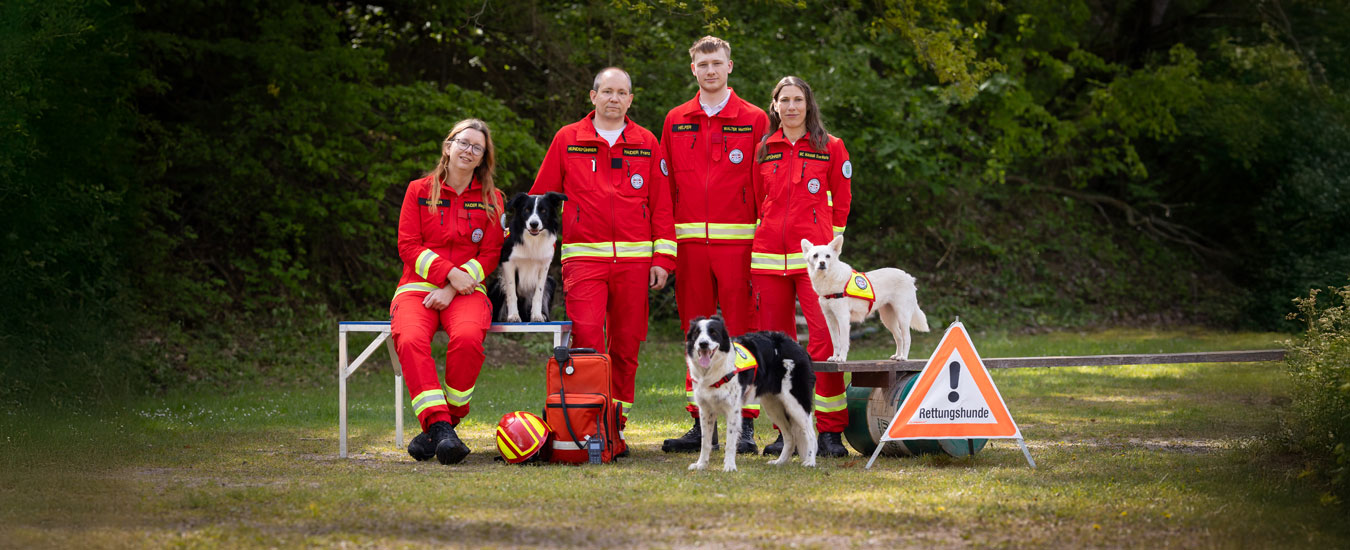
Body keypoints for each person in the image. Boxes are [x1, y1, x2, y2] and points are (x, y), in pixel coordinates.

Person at [529, 67, 676, 455]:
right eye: (607, 91)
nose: (614, 98)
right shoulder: (567, 139)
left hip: (635, 263)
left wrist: (663, 257)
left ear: (631, 100)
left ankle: (616, 427)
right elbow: (541, 200)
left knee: (626, 346)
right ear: (592, 96)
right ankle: (590, 425)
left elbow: (662, 205)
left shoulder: (646, 142)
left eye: (622, 92)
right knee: (588, 341)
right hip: (583, 260)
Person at [659, 36, 769, 455]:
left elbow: (764, 184)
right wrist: (666, 245)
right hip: (689, 244)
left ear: (729, 66)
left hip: (739, 244)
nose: (710, 70)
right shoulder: (675, 119)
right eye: (703, 64)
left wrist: (762, 241)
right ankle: (699, 422)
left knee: (742, 333)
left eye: (717, 63)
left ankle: (746, 424)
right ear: (693, 69)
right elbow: (665, 186)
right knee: (695, 334)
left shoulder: (754, 118)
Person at [393, 119, 506, 465]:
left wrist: (454, 286)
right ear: (448, 146)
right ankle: (442, 429)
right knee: (410, 339)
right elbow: (408, 245)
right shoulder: (418, 190)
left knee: (469, 339)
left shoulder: (493, 199)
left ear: (483, 158)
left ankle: (443, 426)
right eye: (463, 143)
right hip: (417, 288)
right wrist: (448, 275)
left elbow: (490, 254)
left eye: (477, 148)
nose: (468, 151)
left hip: (467, 291)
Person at [750, 76, 853, 457]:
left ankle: (829, 431)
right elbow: (758, 201)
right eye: (785, 100)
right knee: (775, 348)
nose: (791, 107)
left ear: (808, 105)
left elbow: (842, 202)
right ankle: (786, 431)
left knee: (826, 341)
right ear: (775, 106)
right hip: (767, 260)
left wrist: (830, 248)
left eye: (798, 100)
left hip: (816, 266)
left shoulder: (831, 147)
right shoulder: (764, 149)